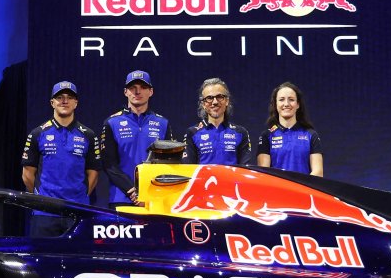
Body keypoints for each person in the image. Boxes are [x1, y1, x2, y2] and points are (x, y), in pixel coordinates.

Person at [21, 81, 101, 235]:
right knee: (43, 257)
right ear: (52, 103)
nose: (65, 101)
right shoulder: (37, 134)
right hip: (45, 213)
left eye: (69, 97)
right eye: (60, 97)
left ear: (76, 103)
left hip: (78, 212)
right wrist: (41, 200)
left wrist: (81, 198)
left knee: (78, 258)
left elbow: (94, 174)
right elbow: (27, 174)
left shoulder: (88, 135)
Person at [100, 70, 172, 206]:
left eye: (143, 87)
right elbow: (109, 164)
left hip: (153, 199)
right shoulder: (111, 123)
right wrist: (132, 191)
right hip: (121, 199)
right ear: (125, 92)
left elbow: (168, 163)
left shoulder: (163, 123)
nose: (137, 92)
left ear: (151, 91)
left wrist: (148, 192)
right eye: (132, 88)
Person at [257, 82, 324, 176]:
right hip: (276, 190)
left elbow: (318, 172)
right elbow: (264, 174)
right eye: (281, 100)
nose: (286, 104)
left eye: (291, 100)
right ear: (275, 105)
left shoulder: (311, 135)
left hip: (302, 190)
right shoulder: (266, 136)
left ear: (298, 105)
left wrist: (300, 188)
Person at [182, 77, 253, 165]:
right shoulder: (192, 133)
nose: (215, 102)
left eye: (219, 97)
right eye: (209, 98)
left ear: (227, 101)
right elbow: (188, 169)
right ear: (203, 104)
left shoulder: (241, 133)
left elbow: (246, 169)